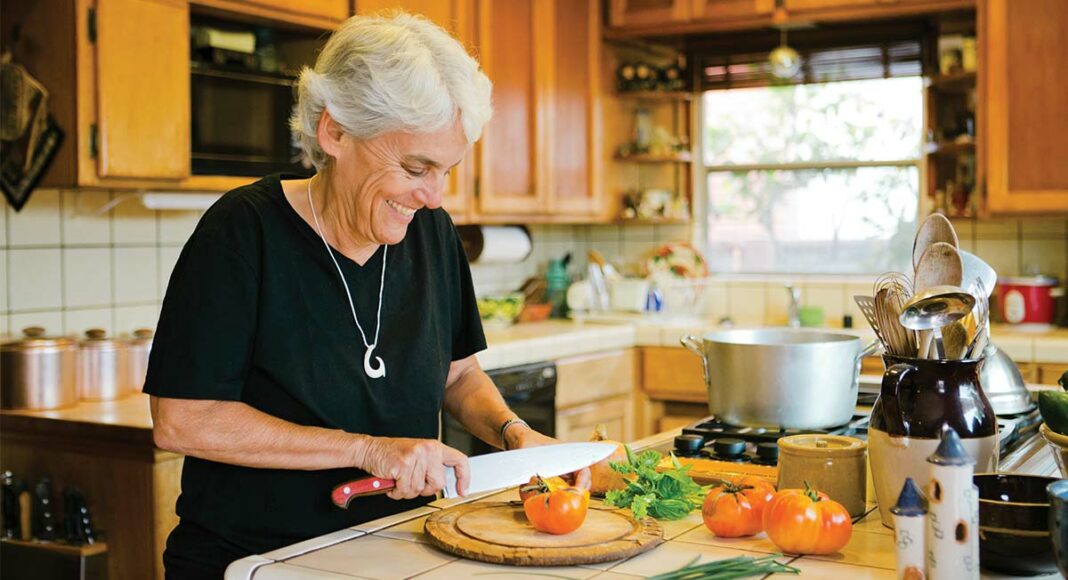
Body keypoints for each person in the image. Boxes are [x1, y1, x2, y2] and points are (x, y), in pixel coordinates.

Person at [145, 12, 584, 578]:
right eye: (415, 167)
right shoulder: (241, 233)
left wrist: (514, 435)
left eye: (446, 170)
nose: (432, 195)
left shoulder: (433, 233)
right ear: (336, 133)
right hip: (259, 561)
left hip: (401, 549)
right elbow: (184, 419)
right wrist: (370, 450)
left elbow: (458, 374)